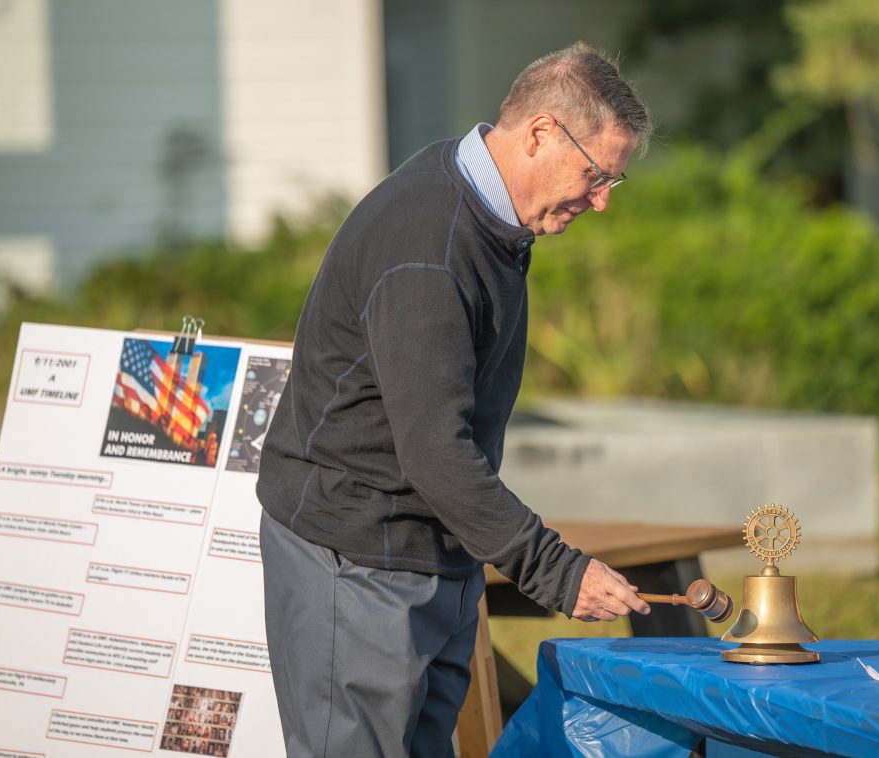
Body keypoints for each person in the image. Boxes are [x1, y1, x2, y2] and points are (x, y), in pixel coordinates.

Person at [257, 41, 653, 757]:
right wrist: (559, 572)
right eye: (596, 174)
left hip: (430, 552)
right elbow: (437, 450)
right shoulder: (429, 248)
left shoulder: (481, 204)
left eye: (611, 183)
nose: (599, 200)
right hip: (355, 560)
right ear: (539, 133)